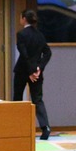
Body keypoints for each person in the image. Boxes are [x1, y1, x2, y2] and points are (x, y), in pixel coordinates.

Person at [12, 8, 50, 137]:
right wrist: (39, 68)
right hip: (37, 73)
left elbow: (24, 54)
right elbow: (48, 52)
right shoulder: (40, 34)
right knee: (38, 99)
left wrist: (30, 71)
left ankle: (17, 127)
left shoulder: (21, 34)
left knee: (17, 98)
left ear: (24, 19)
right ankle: (45, 127)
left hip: (23, 71)